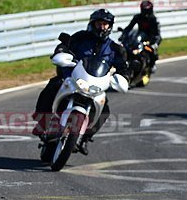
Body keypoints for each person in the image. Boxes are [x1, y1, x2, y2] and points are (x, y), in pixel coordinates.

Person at [32, 9, 128, 155]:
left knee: (105, 110)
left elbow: (123, 67)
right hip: (71, 78)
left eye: (105, 24)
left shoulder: (115, 49)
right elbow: (65, 46)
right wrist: (60, 52)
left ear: (110, 27)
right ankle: (42, 123)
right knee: (52, 86)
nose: (102, 27)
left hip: (95, 85)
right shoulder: (80, 37)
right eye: (99, 23)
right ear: (92, 24)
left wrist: (123, 77)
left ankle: (84, 137)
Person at [121, 0, 162, 72]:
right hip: (140, 36)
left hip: (150, 38)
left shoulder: (154, 19)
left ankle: (152, 64)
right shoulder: (138, 17)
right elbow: (129, 27)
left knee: (151, 50)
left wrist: (155, 43)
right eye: (144, 10)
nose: (145, 13)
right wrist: (123, 35)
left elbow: (157, 34)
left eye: (147, 11)